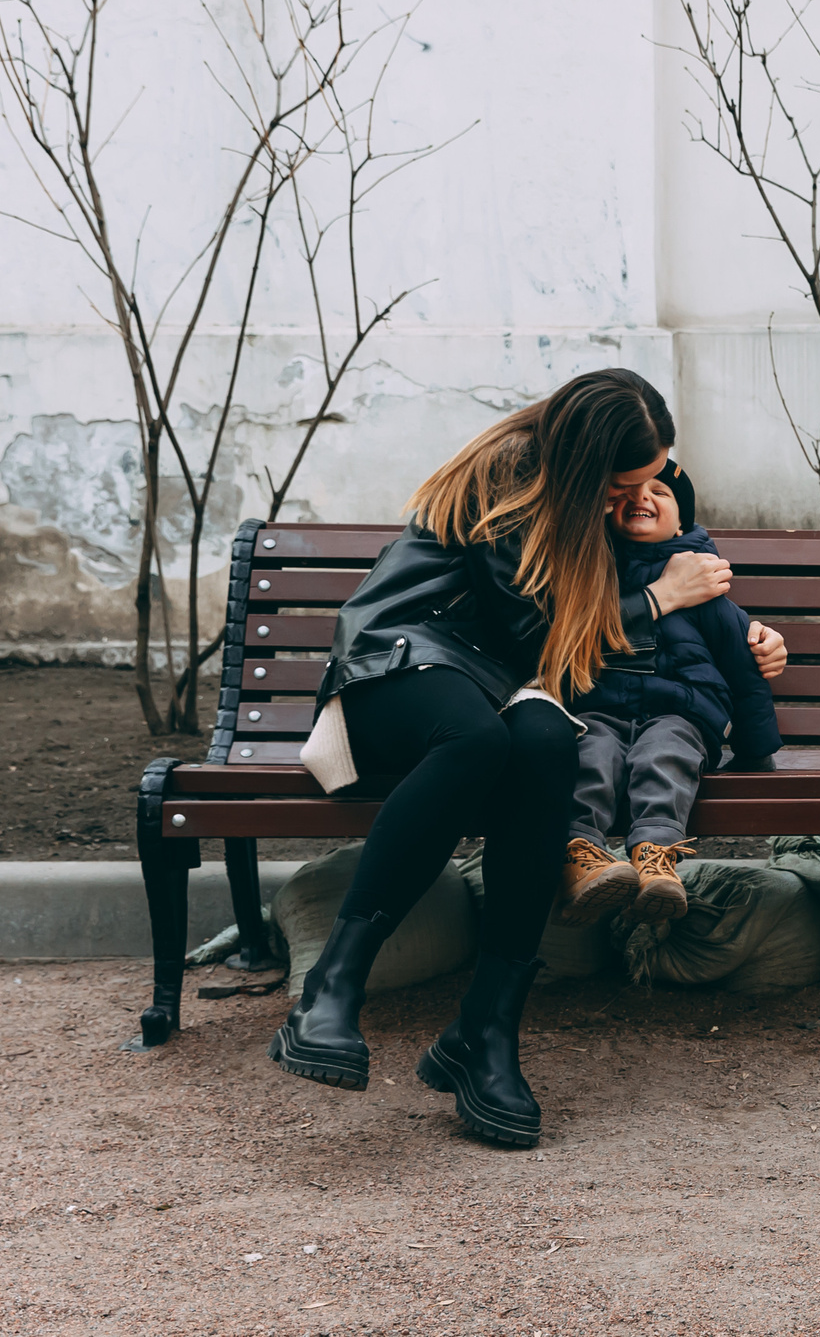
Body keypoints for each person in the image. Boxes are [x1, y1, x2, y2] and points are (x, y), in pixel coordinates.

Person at [268, 369, 788, 1148]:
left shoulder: (582, 505)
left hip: (499, 682)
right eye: (624, 484)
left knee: (549, 741)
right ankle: (332, 987)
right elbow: (545, 630)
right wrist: (660, 599)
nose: (635, 497)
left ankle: (487, 1029)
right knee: (480, 740)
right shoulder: (509, 477)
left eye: (651, 480)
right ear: (586, 467)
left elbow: (573, 641)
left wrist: (744, 634)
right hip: (401, 661)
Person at [558, 460, 782, 926]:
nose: (642, 497)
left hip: (681, 713)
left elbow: (745, 670)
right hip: (600, 708)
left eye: (659, 491)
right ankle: (582, 857)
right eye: (629, 490)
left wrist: (756, 750)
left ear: (683, 521)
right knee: (590, 753)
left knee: (665, 754)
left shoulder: (708, 589)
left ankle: (655, 856)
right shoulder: (589, 575)